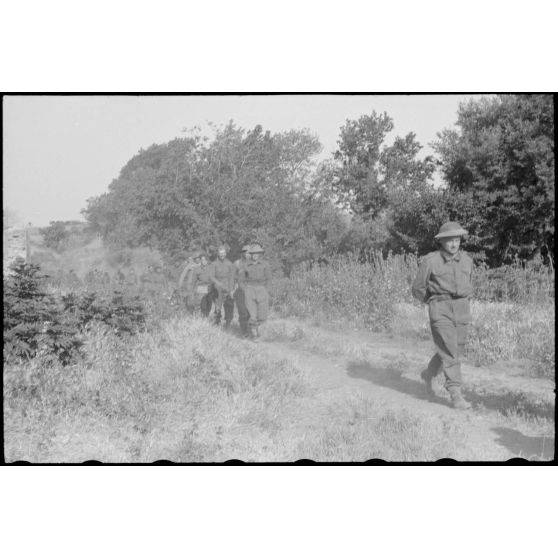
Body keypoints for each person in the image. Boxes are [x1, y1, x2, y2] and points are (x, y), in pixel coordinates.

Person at [411, 221, 474, 410]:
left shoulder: (467, 260)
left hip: (462, 308)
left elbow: (470, 285)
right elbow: (418, 288)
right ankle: (456, 394)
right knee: (449, 350)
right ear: (442, 242)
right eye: (450, 241)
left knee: (455, 349)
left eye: (457, 240)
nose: (454, 244)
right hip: (440, 307)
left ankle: (428, 374)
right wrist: (433, 302)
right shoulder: (431, 261)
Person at [237, 243, 271, 341]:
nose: (255, 255)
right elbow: (240, 280)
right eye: (253, 253)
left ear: (260, 254)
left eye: (257, 253)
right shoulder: (245, 265)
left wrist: (266, 290)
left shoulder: (265, 264)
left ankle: (257, 328)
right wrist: (245, 289)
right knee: (252, 313)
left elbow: (269, 278)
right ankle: (254, 333)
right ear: (251, 254)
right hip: (250, 289)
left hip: (261, 289)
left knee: (263, 314)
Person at [208, 245, 235, 327]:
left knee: (229, 304)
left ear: (226, 253)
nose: (222, 255)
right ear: (218, 254)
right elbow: (211, 277)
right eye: (220, 253)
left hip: (227, 286)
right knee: (217, 305)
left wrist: (231, 289)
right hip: (218, 286)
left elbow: (231, 277)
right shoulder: (214, 264)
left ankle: (228, 322)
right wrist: (218, 284)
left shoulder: (229, 264)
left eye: (223, 253)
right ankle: (217, 321)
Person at [233, 245, 251, 337]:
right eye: (245, 252)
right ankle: (244, 332)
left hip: (251, 291)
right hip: (240, 290)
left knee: (250, 312)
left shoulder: (254, 263)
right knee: (242, 312)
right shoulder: (237, 263)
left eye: (249, 252)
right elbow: (232, 277)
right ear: (242, 253)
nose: (247, 254)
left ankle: (250, 330)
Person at [189, 252, 213, 317]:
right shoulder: (197, 269)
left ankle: (206, 315)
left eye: (205, 259)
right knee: (203, 304)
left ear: (207, 260)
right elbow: (193, 281)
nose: (204, 261)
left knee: (209, 304)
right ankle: (203, 317)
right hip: (201, 288)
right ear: (200, 261)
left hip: (210, 288)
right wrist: (191, 290)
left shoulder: (211, 268)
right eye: (202, 260)